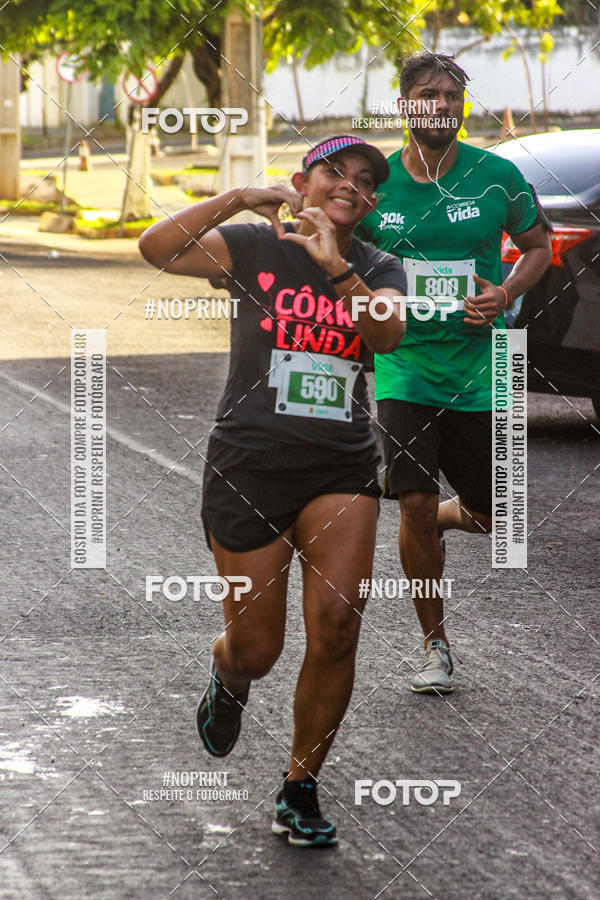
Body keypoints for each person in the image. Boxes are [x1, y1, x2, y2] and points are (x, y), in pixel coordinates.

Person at [138, 135, 407, 847]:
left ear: (371, 200)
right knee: (258, 648)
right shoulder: (255, 246)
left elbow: (389, 336)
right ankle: (229, 675)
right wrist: (237, 197)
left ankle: (300, 786)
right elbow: (156, 248)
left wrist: (337, 270)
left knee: (341, 626)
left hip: (341, 466)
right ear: (303, 182)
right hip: (251, 464)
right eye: (334, 172)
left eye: (363, 180)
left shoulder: (379, 266)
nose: (350, 184)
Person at [355, 53, 552, 694]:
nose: (438, 104)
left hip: (479, 366)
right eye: (425, 94)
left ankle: (445, 513)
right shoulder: (376, 186)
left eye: (450, 95)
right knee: (411, 499)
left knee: (498, 516)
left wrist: (507, 293)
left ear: (463, 105)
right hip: (404, 364)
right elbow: (336, 245)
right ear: (404, 104)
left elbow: (539, 246)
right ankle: (434, 644)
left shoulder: (496, 176)